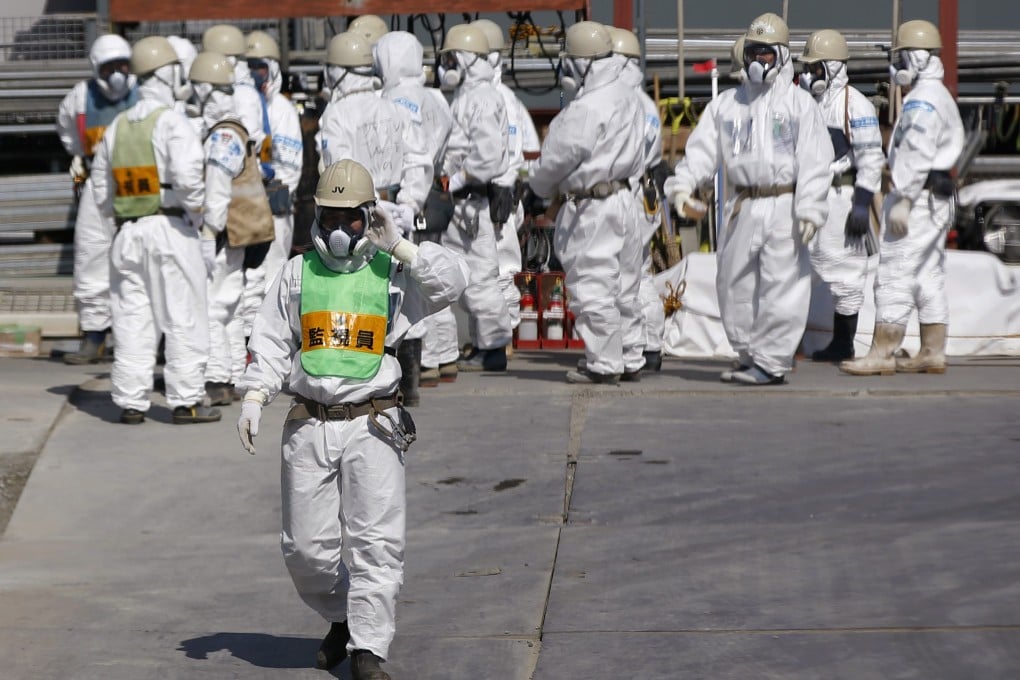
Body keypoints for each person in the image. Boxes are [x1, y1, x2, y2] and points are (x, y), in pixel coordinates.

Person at [235, 159, 469, 679]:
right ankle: (343, 617)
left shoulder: (391, 273)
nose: (341, 230)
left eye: (353, 219)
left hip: (374, 424)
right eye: (331, 217)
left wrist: (402, 246)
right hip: (309, 423)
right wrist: (254, 396)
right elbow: (271, 338)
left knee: (375, 542)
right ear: (317, 216)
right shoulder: (297, 272)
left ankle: (369, 651)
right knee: (305, 550)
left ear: (369, 217)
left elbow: (454, 282)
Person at [664, 12, 833, 385]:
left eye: (767, 55)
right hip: (742, 206)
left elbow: (816, 160)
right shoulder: (728, 105)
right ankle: (748, 353)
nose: (759, 62)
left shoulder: (799, 105)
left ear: (783, 56)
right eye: (754, 54)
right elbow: (701, 153)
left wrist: (810, 208)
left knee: (781, 284)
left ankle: (772, 362)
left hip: (785, 206)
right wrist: (682, 187)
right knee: (732, 281)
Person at [90, 36, 219, 424]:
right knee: (183, 315)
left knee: (132, 319)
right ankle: (187, 401)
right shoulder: (171, 122)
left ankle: (131, 402)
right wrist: (198, 213)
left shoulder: (116, 127)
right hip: (170, 227)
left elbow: (100, 191)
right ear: (168, 72)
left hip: (127, 233)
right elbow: (188, 178)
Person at [840, 19, 964, 376]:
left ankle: (883, 351)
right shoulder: (937, 95)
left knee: (895, 271)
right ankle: (932, 350)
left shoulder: (922, 101)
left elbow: (917, 150)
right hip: (933, 198)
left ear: (915, 57)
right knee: (928, 274)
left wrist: (906, 198)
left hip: (918, 198)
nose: (897, 66)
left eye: (901, 57)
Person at [317, 30, 432, 406]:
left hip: (358, 214)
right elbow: (420, 158)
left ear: (337, 71)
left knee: (362, 294)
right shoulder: (394, 106)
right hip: (397, 207)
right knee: (403, 290)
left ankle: (366, 377)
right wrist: (410, 204)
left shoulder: (336, 114)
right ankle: (410, 382)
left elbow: (336, 169)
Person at [528, 21, 646, 384]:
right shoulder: (630, 96)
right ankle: (630, 355)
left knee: (593, 284)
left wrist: (537, 185)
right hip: (627, 200)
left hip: (593, 207)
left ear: (583, 64)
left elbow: (556, 159)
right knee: (626, 285)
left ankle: (604, 363)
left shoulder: (587, 107)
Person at [797, 29, 885, 363]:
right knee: (803, 267)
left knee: (846, 272)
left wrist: (862, 203)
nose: (808, 75)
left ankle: (844, 343)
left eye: (815, 68)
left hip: (841, 198)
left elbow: (872, 157)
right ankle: (792, 341)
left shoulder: (855, 104)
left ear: (833, 67)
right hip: (810, 195)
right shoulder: (807, 103)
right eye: (807, 68)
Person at [373, 29, 452, 400]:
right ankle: (428, 368)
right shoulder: (434, 97)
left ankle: (406, 381)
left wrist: (405, 204)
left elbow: (413, 155)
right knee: (423, 280)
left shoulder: (397, 99)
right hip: (424, 197)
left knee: (398, 290)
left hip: (401, 205)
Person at [432, 23, 513, 372]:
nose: (446, 66)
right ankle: (483, 346)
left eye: (450, 58)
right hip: (463, 204)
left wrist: (457, 180)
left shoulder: (478, 98)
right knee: (462, 277)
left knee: (480, 277)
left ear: (465, 58)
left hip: (469, 203)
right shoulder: (471, 95)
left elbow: (488, 155)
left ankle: (492, 349)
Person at [57, 34, 139, 364]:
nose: (117, 73)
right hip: (98, 182)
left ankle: (151, 341)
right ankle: (94, 336)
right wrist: (80, 159)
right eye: (109, 67)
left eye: (122, 64)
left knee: (140, 261)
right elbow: (67, 131)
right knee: (91, 256)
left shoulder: (144, 94)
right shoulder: (79, 97)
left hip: (138, 185)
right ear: (96, 68)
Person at [471, 18, 543, 349]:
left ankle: (502, 339)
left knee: (498, 269)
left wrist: (508, 187)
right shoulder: (499, 97)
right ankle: (490, 338)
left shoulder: (499, 99)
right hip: (491, 196)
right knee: (484, 270)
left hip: (497, 199)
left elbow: (516, 154)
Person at [609, 25, 666, 375]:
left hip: (628, 196)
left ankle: (637, 348)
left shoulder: (624, 103)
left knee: (627, 277)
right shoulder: (644, 103)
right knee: (641, 274)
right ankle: (652, 345)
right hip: (643, 195)